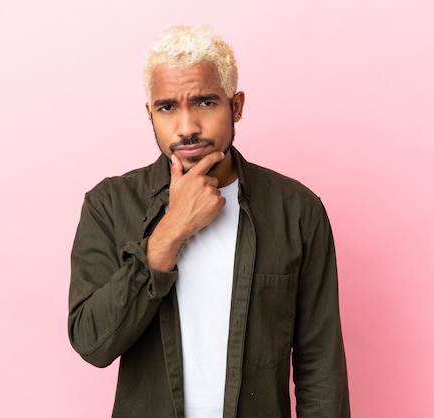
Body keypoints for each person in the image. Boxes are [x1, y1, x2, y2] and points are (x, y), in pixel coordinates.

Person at [68, 25, 350, 418]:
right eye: (168, 107)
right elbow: (93, 343)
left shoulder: (297, 210)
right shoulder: (109, 205)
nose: (187, 127)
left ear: (236, 106)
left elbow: (320, 363)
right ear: (150, 113)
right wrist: (172, 229)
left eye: (204, 102)